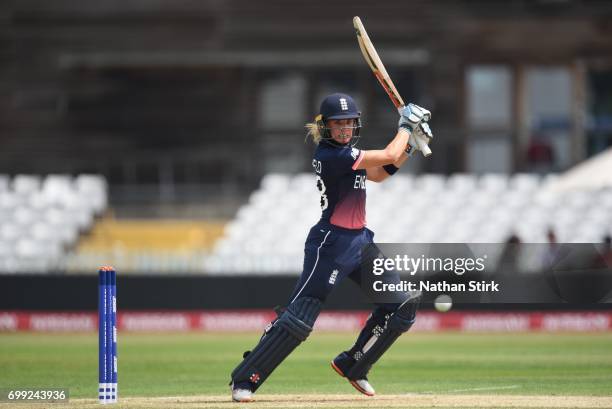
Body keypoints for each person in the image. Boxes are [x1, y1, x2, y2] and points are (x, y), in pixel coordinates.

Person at [229, 93, 432, 402]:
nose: (345, 129)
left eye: (350, 123)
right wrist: (406, 128)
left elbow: (379, 174)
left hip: (361, 243)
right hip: (330, 245)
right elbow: (389, 153)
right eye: (339, 124)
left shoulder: (350, 153)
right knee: (299, 319)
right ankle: (245, 379)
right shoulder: (330, 155)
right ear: (325, 127)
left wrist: (410, 146)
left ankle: (354, 363)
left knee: (402, 307)